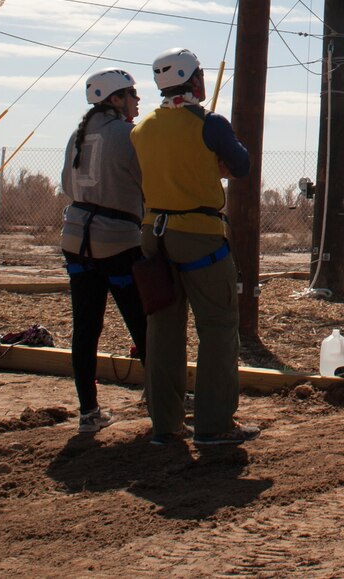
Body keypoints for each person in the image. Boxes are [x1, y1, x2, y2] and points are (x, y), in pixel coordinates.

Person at [132, 45, 255, 448]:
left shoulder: (142, 128)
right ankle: (214, 423)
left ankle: (165, 426)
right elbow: (241, 166)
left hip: (153, 232)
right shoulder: (210, 123)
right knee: (218, 327)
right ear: (195, 80)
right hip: (199, 233)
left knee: (163, 330)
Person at [59, 68, 149, 430]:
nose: (137, 100)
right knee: (144, 323)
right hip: (118, 242)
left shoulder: (77, 137)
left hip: (76, 239)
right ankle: (161, 397)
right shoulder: (129, 136)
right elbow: (149, 182)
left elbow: (68, 184)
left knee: (86, 328)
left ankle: (88, 411)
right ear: (115, 99)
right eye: (132, 94)